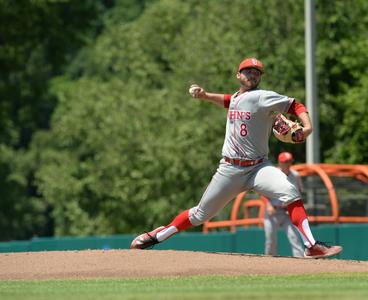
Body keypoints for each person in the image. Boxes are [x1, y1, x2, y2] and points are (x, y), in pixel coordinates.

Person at [130, 57, 342, 258]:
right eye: (248, 71)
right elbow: (229, 101)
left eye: (257, 72)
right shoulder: (237, 98)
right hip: (230, 170)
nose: (253, 74)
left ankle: (311, 246)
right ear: (238, 75)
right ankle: (157, 236)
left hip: (259, 167)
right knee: (199, 215)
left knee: (290, 191)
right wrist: (205, 96)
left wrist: (307, 127)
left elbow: (295, 105)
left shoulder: (262, 97)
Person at [262, 152, 304, 257]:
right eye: (286, 162)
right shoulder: (273, 175)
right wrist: (268, 204)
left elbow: (299, 193)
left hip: (287, 212)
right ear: (280, 163)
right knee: (270, 241)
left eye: (290, 161)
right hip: (273, 211)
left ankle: (301, 266)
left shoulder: (295, 175)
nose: (288, 164)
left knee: (294, 238)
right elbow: (261, 192)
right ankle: (269, 265)